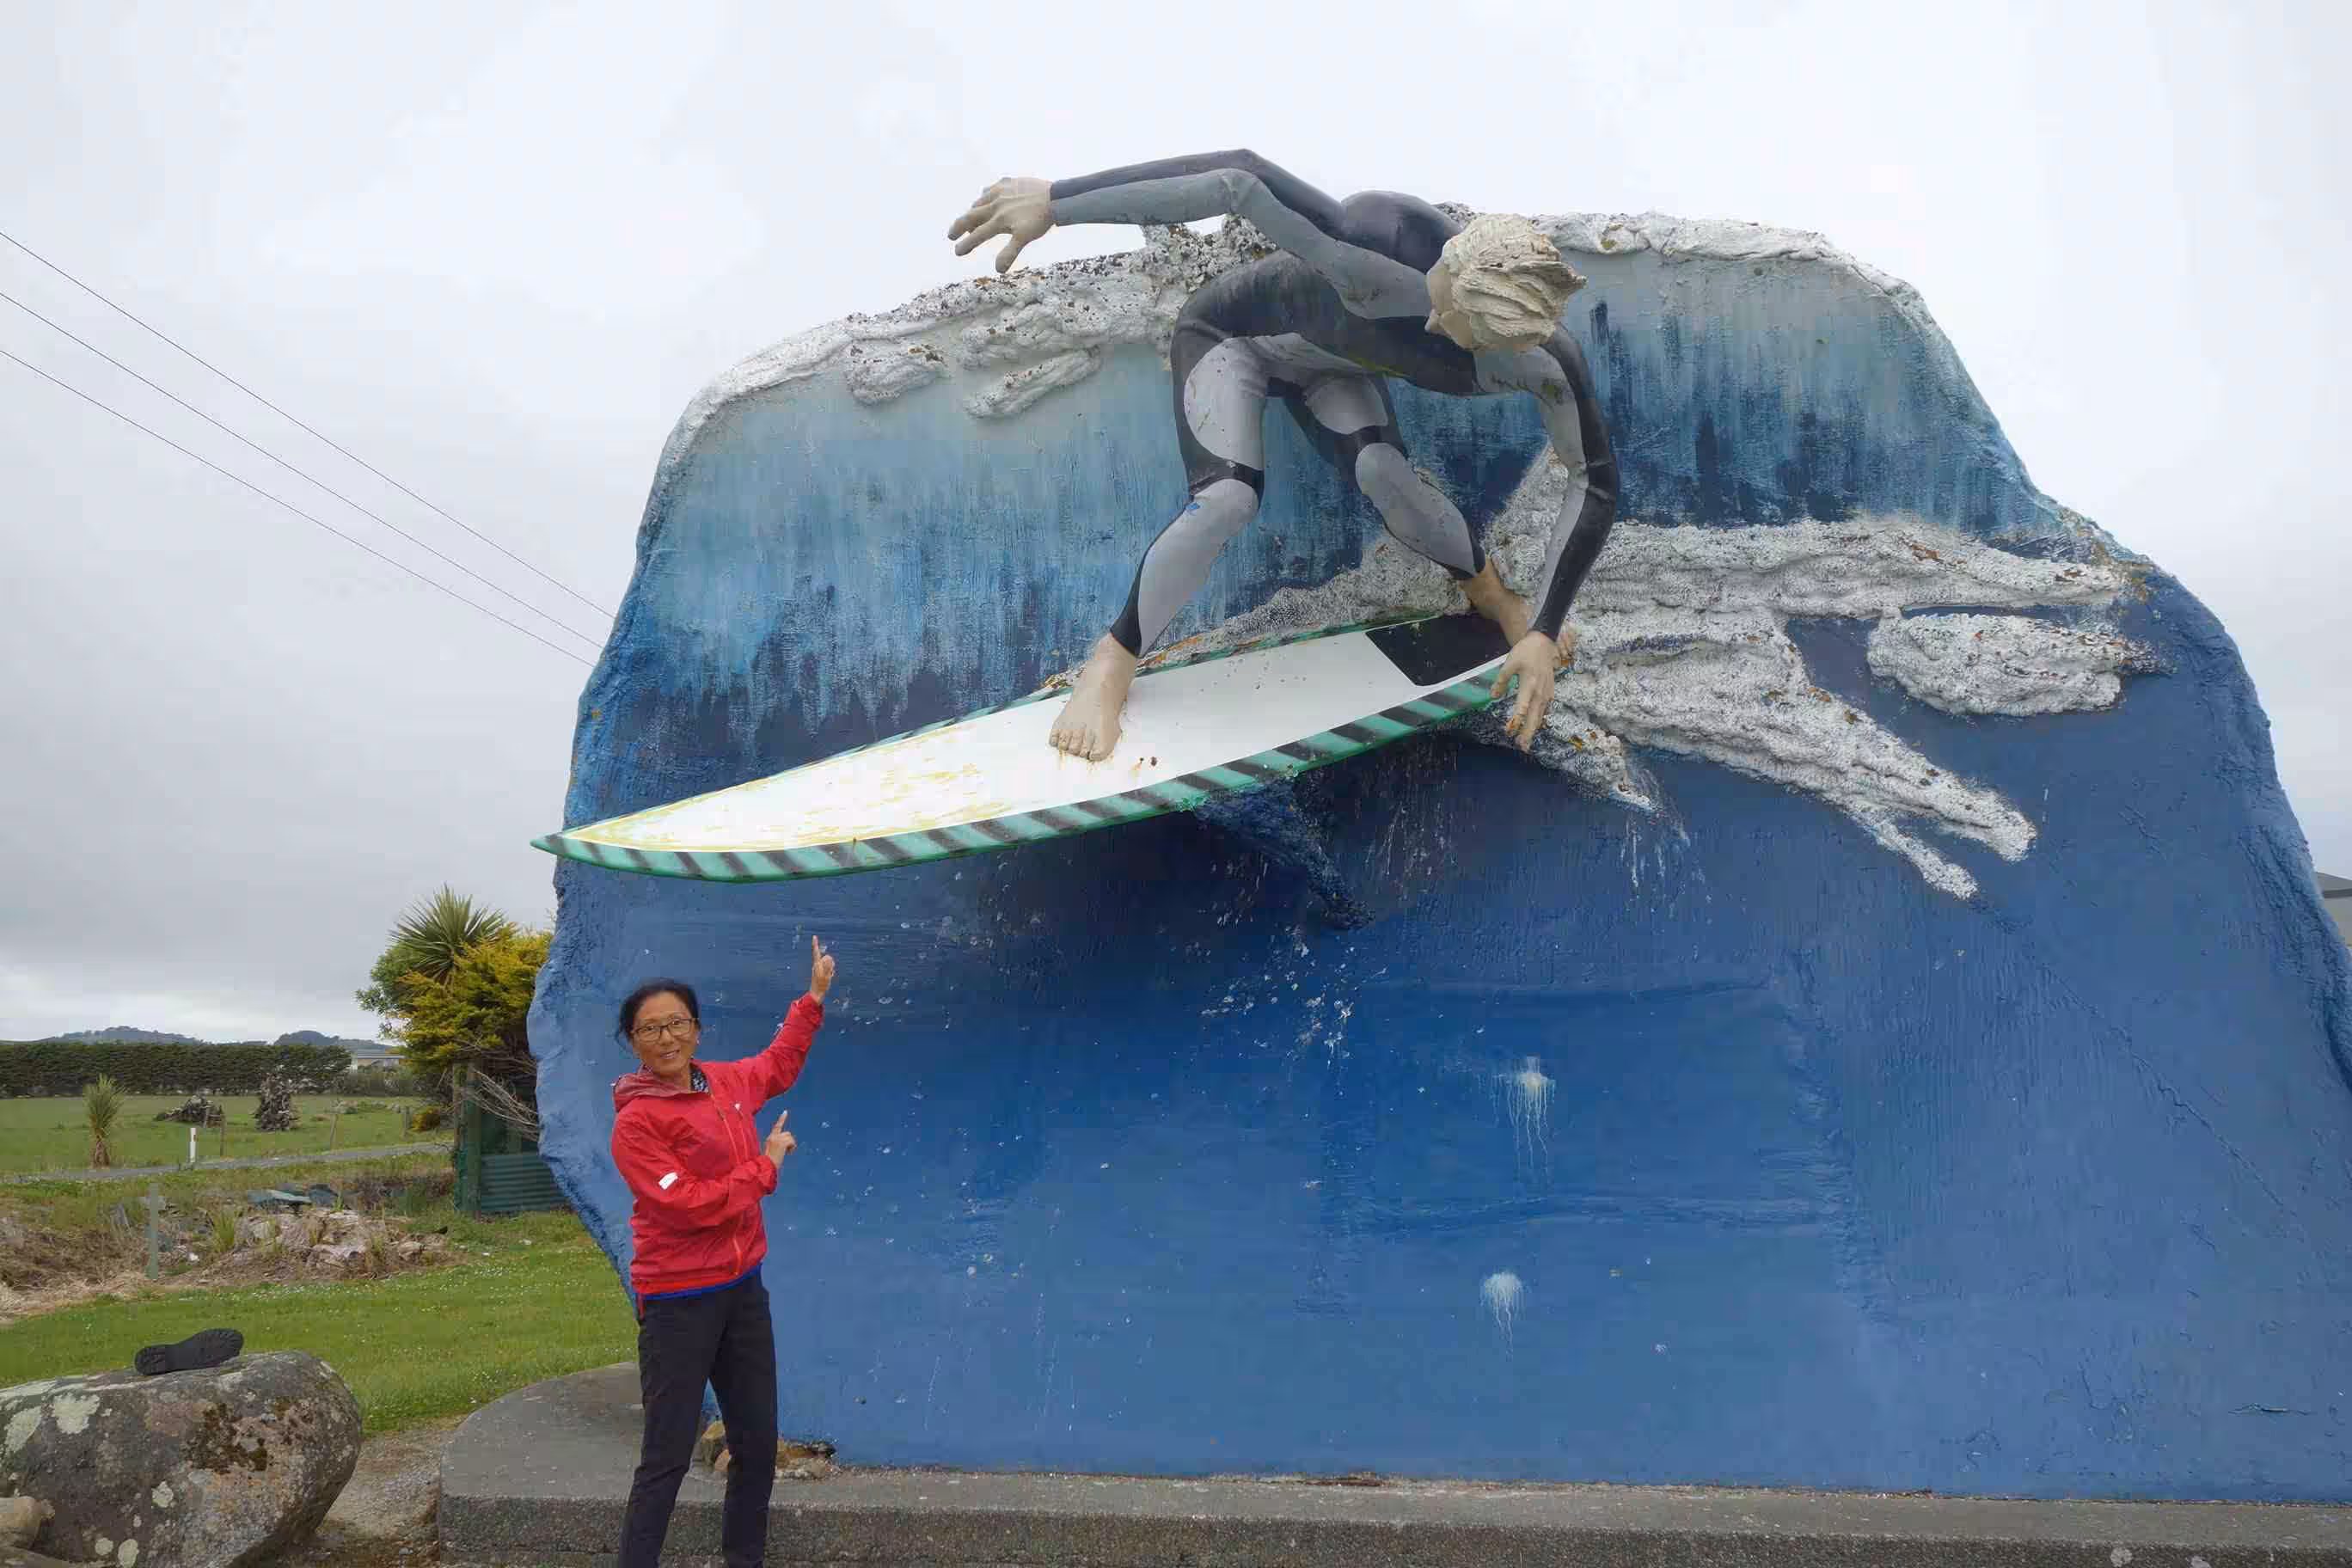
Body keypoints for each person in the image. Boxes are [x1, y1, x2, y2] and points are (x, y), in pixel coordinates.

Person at [947, 150, 1619, 760]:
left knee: (1385, 473)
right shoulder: (1375, 245)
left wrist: (1545, 629)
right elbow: (1239, 177)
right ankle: (1113, 660)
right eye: (1439, 297)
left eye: (1455, 328)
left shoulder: (1542, 363)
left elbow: (1594, 480)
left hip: (1333, 367)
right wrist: (1056, 202)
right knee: (1228, 500)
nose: (1432, 322)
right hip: (1232, 338)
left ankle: (1495, 598)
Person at [609, 936, 836, 1568]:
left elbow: (777, 1065)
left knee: (757, 1443)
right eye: (650, 1029)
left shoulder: (726, 1083)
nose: (666, 1038)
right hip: (678, 1301)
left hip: (742, 1290)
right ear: (633, 1042)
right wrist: (765, 1167)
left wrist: (812, 999)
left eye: (677, 1023)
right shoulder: (636, 1124)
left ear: (697, 1029)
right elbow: (687, 1205)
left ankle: (745, 1559)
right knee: (666, 1457)